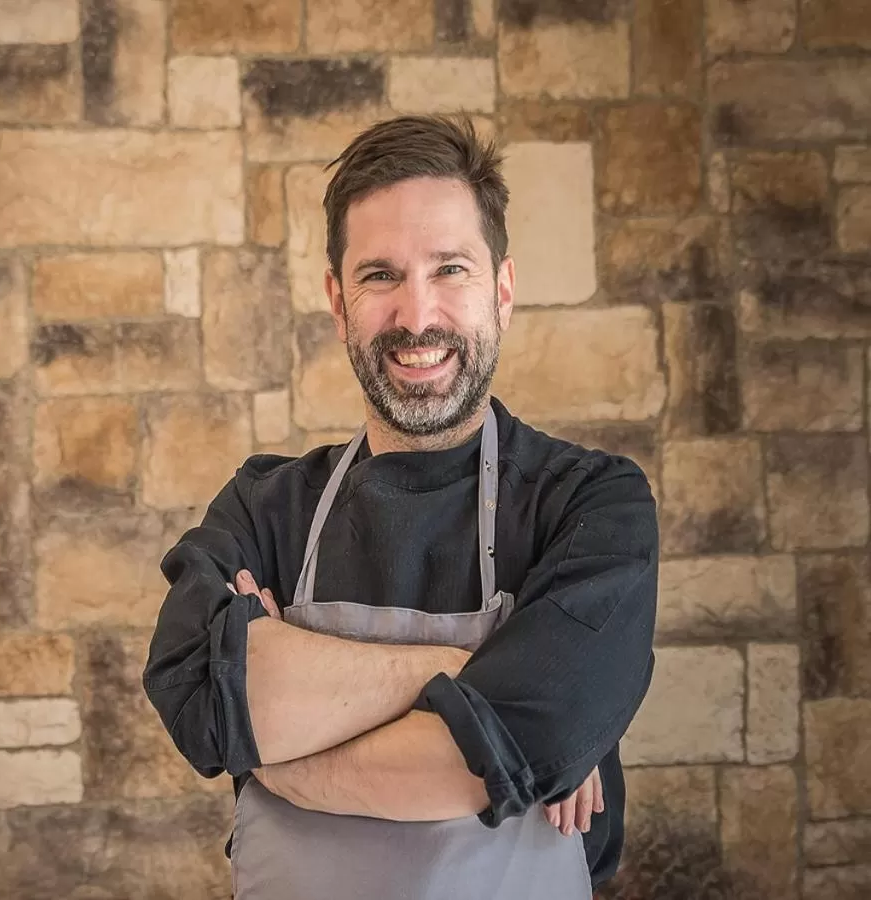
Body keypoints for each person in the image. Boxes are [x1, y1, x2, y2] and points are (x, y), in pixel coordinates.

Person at [141, 114, 658, 899]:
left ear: (502, 291)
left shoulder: (592, 504)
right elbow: (205, 705)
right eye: (380, 276)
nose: (417, 318)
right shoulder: (265, 507)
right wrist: (468, 674)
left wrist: (286, 758)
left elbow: (528, 738)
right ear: (338, 302)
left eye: (450, 269)